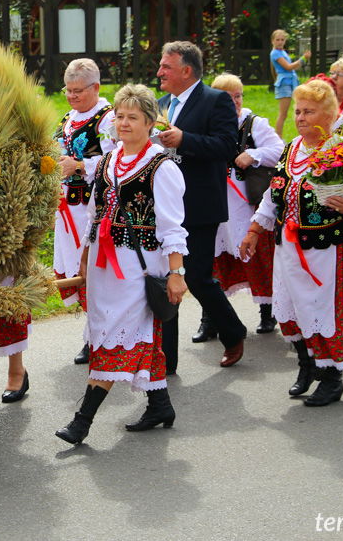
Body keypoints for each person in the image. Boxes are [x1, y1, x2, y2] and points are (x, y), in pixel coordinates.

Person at [55, 84, 187, 445]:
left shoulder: (161, 166)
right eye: (120, 116)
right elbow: (93, 213)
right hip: (103, 265)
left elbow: (172, 226)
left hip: (137, 266)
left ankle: (81, 422)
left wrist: (176, 273)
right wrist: (84, 257)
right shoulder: (108, 161)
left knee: (117, 334)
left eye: (133, 117)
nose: (124, 123)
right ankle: (160, 405)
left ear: (150, 123)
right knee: (127, 332)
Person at [239, 79, 343, 406]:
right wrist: (254, 230)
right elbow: (274, 195)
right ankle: (307, 365)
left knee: (320, 309)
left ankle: (331, 377)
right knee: (290, 307)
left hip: (326, 248)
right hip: (288, 247)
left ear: (328, 115)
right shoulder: (291, 149)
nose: (300, 117)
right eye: (298, 111)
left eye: (309, 112)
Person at [156, 41, 247, 370]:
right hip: (164, 205)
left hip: (199, 205)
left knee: (195, 277)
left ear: (186, 70)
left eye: (166, 67)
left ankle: (233, 332)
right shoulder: (162, 104)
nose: (159, 72)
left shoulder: (215, 99)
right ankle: (165, 360)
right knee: (166, 278)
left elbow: (226, 146)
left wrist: (185, 140)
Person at [205, 73, 285, 337]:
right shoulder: (208, 124)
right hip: (216, 203)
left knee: (259, 258)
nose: (235, 102)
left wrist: (253, 154)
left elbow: (280, 149)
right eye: (228, 98)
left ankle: (267, 312)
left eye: (238, 96)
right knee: (213, 261)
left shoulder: (253, 124)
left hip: (247, 204)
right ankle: (210, 319)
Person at [54, 59, 116, 365]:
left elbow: (116, 160)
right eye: (68, 90)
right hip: (67, 208)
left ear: (96, 87)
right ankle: (93, 333)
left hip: (93, 208)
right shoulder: (68, 117)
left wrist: (79, 165)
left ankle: (99, 337)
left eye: (78, 91)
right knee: (76, 269)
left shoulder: (108, 119)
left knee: (92, 269)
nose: (71, 96)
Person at [270, 29, 311, 138]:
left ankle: (301, 133)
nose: (280, 42)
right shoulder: (275, 53)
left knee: (297, 109)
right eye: (277, 40)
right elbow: (288, 67)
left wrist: (303, 60)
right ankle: (278, 137)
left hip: (291, 82)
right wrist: (303, 58)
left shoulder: (282, 52)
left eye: (282, 40)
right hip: (284, 84)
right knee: (283, 113)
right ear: (272, 41)